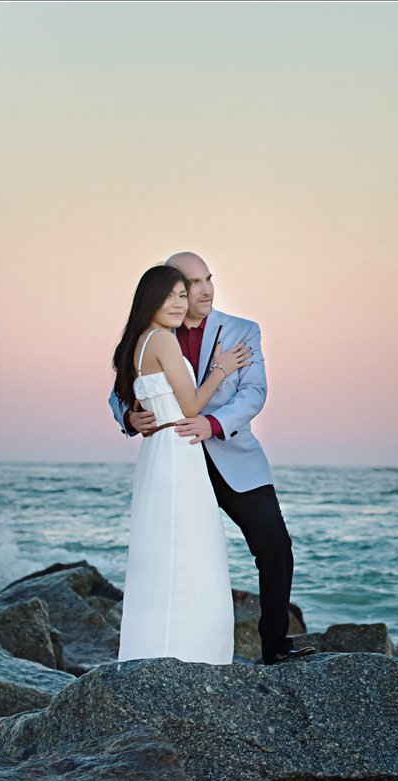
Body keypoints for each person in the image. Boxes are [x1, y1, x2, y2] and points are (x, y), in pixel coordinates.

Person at [108, 251, 316, 665]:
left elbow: (253, 393)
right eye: (189, 285)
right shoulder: (154, 332)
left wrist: (213, 424)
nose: (201, 292)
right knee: (187, 555)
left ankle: (275, 646)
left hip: (232, 457)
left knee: (275, 545)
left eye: (207, 280)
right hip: (176, 460)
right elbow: (119, 391)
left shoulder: (243, 331)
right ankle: (178, 648)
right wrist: (130, 416)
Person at [112, 264, 252, 663]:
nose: (179, 303)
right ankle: (189, 655)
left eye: (181, 295)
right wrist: (222, 368)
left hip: (163, 450)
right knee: (189, 551)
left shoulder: (139, 341)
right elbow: (191, 404)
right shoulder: (163, 341)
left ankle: (157, 650)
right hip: (177, 449)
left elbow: (144, 400)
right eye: (171, 295)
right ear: (150, 299)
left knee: (164, 552)